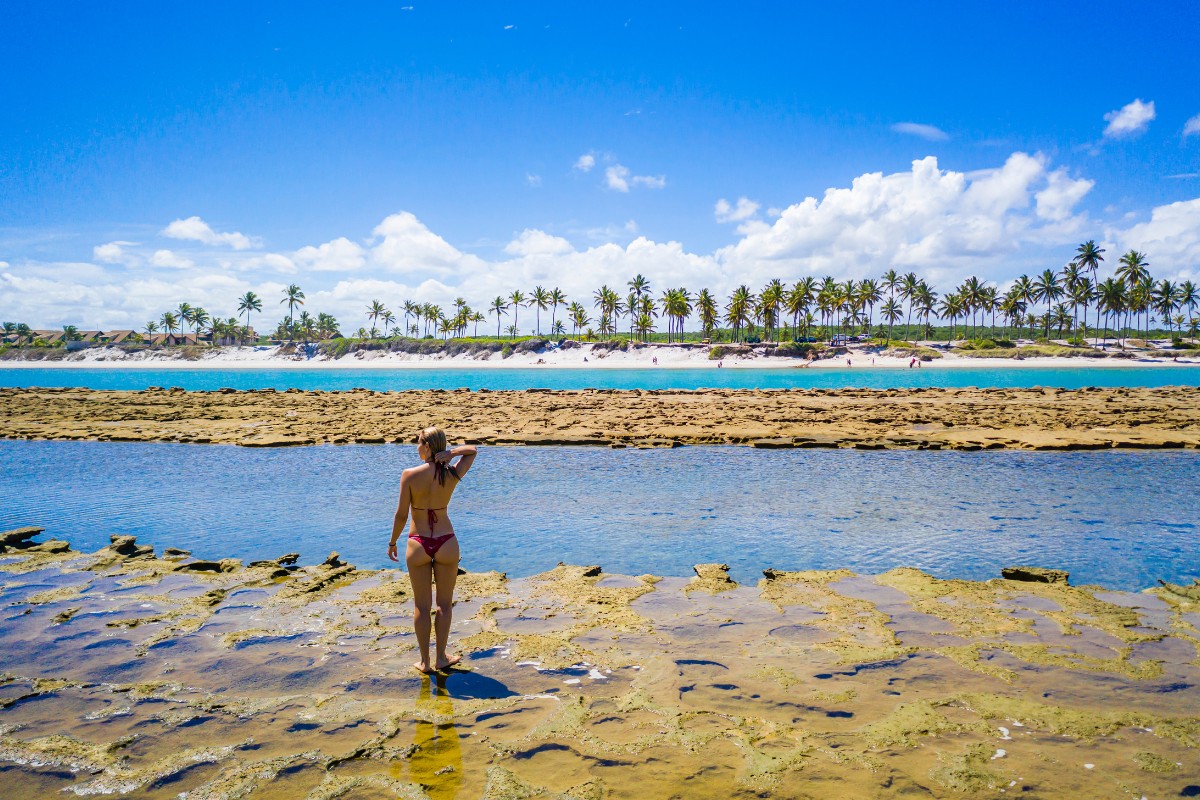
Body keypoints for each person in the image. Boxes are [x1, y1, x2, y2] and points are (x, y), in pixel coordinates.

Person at [388, 426, 477, 673]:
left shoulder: (409, 475)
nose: (417, 447)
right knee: (444, 605)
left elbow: (401, 515)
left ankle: (425, 662)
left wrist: (392, 542)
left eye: (419, 442)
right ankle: (441, 658)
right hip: (446, 541)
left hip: (418, 543)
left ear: (426, 446)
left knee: (421, 606)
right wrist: (452, 453)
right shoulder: (451, 474)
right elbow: (472, 451)